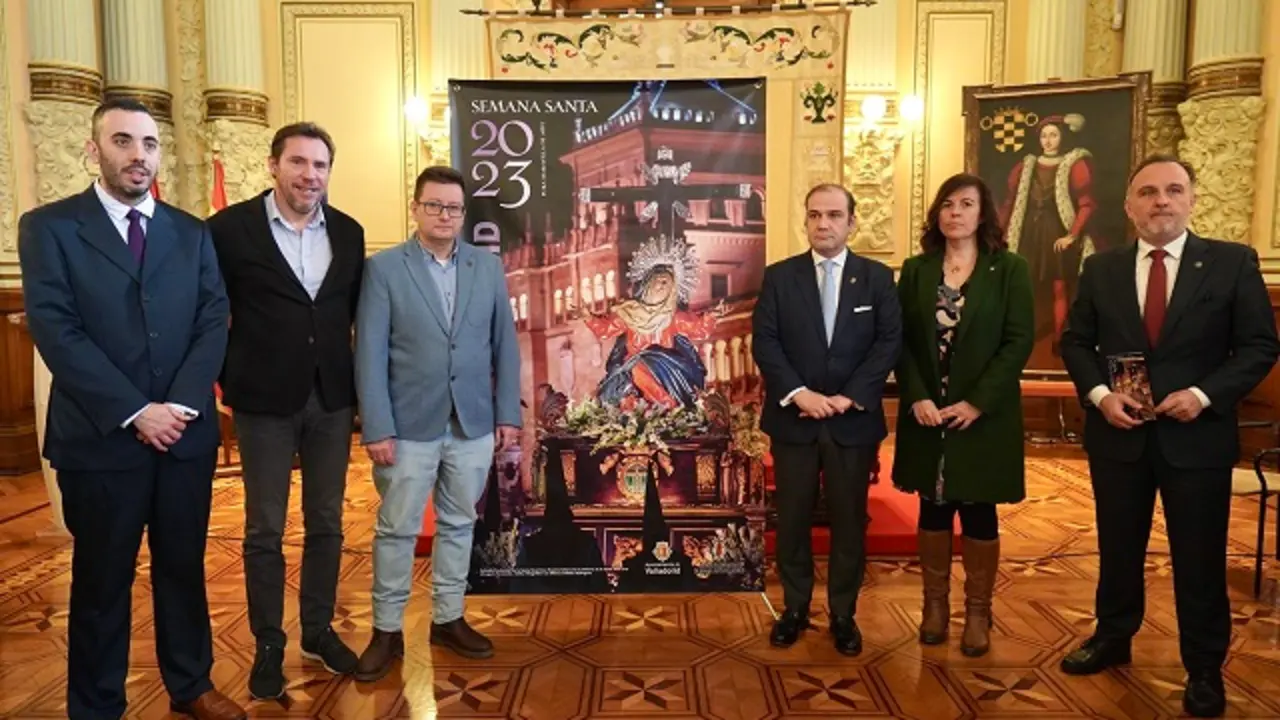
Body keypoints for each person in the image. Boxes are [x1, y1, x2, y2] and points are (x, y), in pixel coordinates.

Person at [18, 98, 244, 720]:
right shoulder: (49, 228)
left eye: (149, 144)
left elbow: (212, 320)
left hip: (183, 437)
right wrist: (136, 410)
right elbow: (57, 331)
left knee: (183, 569)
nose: (138, 155)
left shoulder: (191, 232)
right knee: (101, 581)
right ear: (94, 150)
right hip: (101, 440)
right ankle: (96, 706)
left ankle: (191, 685)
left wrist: (178, 406)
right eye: (122, 141)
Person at [1059, 155, 1280, 718]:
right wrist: (1101, 396)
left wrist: (1203, 394)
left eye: (1174, 190)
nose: (1162, 201)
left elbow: (1259, 345)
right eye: (1149, 192)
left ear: (1191, 200)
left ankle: (1204, 668)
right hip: (1119, 436)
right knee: (1118, 549)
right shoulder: (1102, 268)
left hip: (1197, 438)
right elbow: (1076, 342)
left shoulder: (1231, 263)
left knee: (1199, 559)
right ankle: (1113, 637)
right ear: (1129, 205)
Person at [207, 122, 365, 699]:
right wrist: (224, 377)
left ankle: (318, 631)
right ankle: (269, 643)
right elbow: (207, 310)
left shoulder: (349, 232)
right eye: (298, 162)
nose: (309, 175)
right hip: (263, 402)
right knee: (264, 529)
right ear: (273, 165)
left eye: (320, 165)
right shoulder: (228, 230)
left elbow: (352, 314)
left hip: (331, 399)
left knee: (327, 522)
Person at [353, 166, 521, 679]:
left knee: (459, 523)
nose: (444, 215)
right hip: (406, 427)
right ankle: (386, 631)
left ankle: (448, 618)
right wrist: (376, 426)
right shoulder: (384, 269)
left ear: (463, 214)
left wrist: (507, 414)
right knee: (397, 529)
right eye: (434, 205)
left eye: (453, 207)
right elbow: (369, 353)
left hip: (472, 423)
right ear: (415, 208)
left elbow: (505, 345)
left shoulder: (486, 268)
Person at [751, 183, 902, 655]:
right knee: (792, 520)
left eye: (834, 215)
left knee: (848, 522)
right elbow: (765, 342)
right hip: (795, 421)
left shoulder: (877, 278)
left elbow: (888, 342)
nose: (823, 223)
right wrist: (801, 394)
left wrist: (848, 397)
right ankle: (794, 609)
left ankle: (843, 614)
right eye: (815, 214)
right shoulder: (780, 277)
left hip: (851, 422)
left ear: (851, 222)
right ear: (806, 221)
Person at [892, 173, 1035, 657]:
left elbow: (1018, 341)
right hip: (928, 412)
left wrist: (978, 401)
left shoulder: (1009, 269)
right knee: (933, 506)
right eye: (947, 204)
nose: (955, 212)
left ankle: (977, 612)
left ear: (983, 212)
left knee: (978, 508)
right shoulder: (916, 270)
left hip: (983, 414)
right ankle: (934, 607)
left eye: (966, 204)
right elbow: (900, 340)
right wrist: (915, 396)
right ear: (937, 213)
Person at [998, 113, 1097, 358]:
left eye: (1053, 135)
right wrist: (998, 232)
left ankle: (1059, 337)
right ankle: (1021, 336)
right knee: (1024, 285)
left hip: (1057, 232)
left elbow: (1087, 204)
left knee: (1059, 287)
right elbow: (1010, 203)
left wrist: (1072, 235)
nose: (1048, 140)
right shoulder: (1026, 166)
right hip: (1028, 232)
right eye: (1044, 136)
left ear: (1062, 137)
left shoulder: (1074, 164)